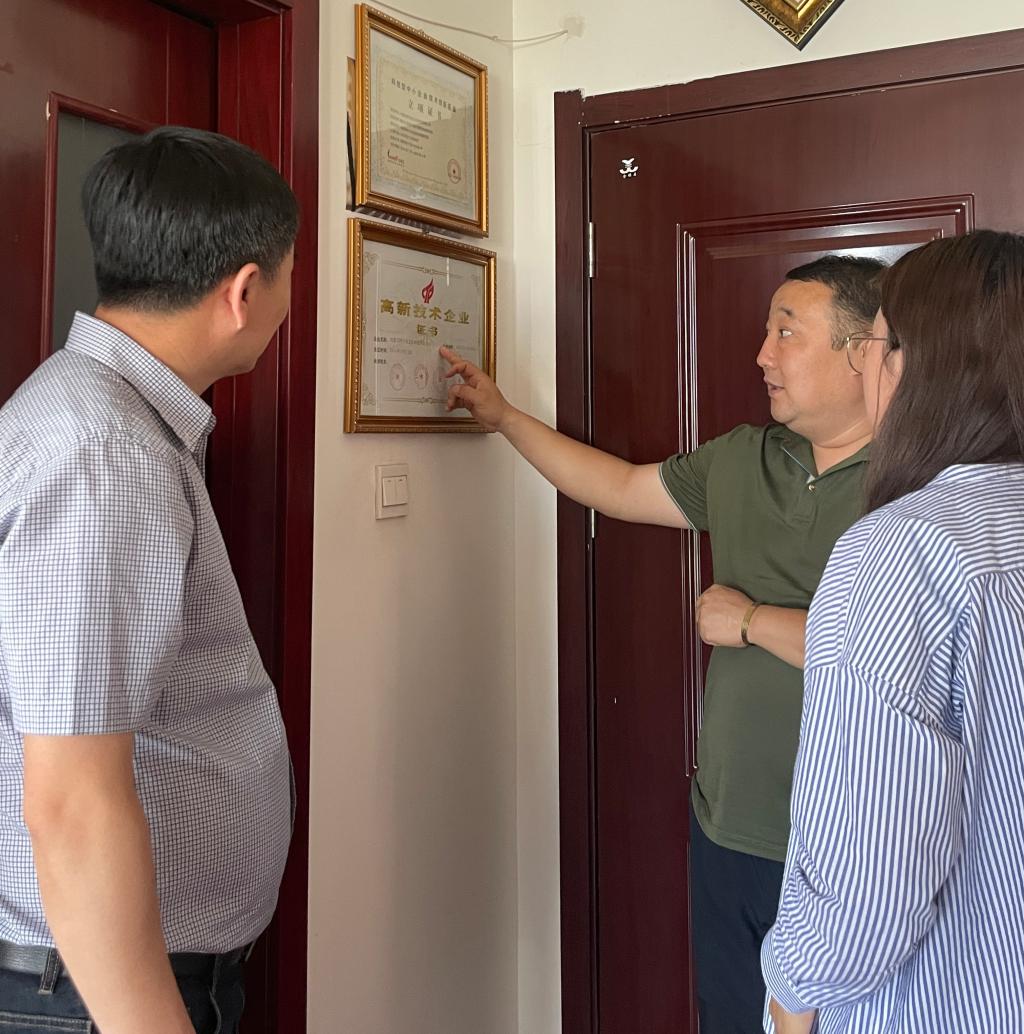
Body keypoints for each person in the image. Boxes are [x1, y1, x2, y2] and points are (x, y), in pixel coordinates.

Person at [442, 254, 886, 1032]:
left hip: (860, 842)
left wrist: (749, 622)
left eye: (787, 332)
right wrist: (506, 418)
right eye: (767, 331)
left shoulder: (919, 483)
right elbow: (618, 488)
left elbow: (896, 651)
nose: (763, 355)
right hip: (729, 828)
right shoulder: (742, 458)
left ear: (862, 352)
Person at [0, 127, 298, 1034]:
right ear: (243, 291)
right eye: (291, 278)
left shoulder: (107, 420)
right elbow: (72, 800)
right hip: (92, 995)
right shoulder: (106, 453)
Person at [763, 230, 1024, 1034]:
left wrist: (790, 1000)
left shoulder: (901, 550)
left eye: (874, 346)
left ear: (917, 366)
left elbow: (868, 882)